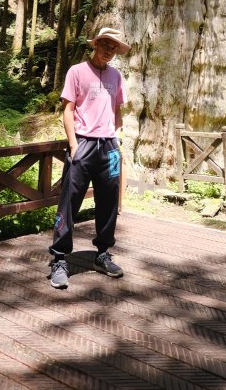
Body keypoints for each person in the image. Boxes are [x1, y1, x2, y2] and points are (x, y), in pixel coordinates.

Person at [48, 26, 130, 290]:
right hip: (83, 143)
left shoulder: (116, 76)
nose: (109, 51)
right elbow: (68, 110)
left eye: (114, 48)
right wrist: (73, 144)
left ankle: (103, 254)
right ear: (96, 44)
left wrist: (117, 138)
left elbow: (117, 110)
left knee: (109, 202)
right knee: (69, 202)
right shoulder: (77, 71)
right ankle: (60, 259)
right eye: (105, 45)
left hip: (109, 147)